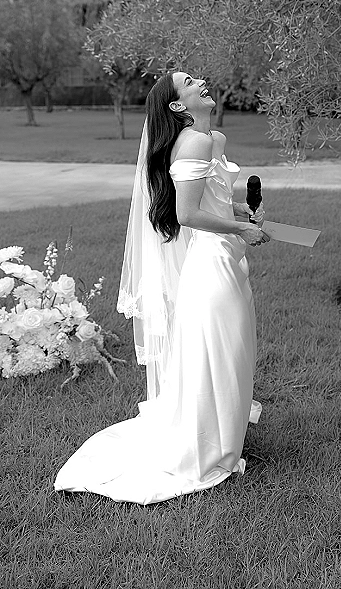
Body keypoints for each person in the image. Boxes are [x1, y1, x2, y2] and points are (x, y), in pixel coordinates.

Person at [55, 72, 269, 504]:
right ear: (177, 107)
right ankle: (207, 451)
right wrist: (239, 230)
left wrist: (244, 213)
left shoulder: (214, 140)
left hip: (228, 259)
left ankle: (222, 441)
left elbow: (215, 199)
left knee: (232, 352)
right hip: (210, 266)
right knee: (218, 355)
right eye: (189, 82)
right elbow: (187, 214)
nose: (201, 81)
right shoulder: (193, 142)